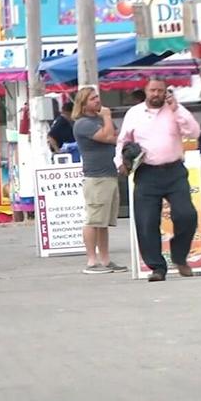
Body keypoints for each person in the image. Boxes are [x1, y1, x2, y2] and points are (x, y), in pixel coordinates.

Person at [116, 77, 200, 282]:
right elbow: (123, 141)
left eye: (160, 91)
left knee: (186, 214)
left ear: (166, 92)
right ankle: (157, 267)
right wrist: (120, 162)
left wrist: (176, 109)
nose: (156, 94)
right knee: (146, 221)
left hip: (174, 171)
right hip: (147, 172)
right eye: (152, 90)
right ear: (146, 91)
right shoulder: (134, 113)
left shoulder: (175, 111)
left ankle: (180, 257)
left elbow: (194, 132)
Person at [71, 87, 127, 275]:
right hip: (96, 177)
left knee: (104, 222)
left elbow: (118, 138)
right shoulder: (83, 123)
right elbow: (108, 136)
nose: (97, 101)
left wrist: (106, 123)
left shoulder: (98, 120)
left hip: (109, 173)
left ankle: (105, 259)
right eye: (93, 98)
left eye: (97, 97)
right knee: (94, 219)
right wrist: (108, 116)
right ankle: (91, 260)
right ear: (83, 103)